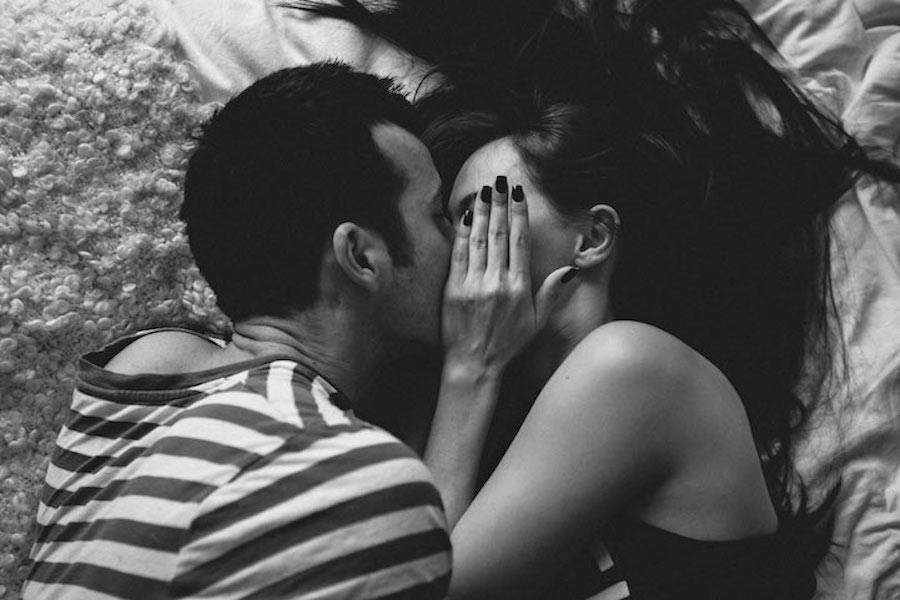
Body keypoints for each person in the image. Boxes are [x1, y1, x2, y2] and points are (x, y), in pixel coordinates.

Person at [290, 2, 900, 599]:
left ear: (591, 239)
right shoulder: (495, 429)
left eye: (485, 216)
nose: (460, 252)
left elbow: (417, 586)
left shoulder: (631, 367)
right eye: (451, 226)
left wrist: (469, 366)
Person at [22, 62, 459, 599]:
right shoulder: (362, 487)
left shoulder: (143, 367)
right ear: (361, 257)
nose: (461, 242)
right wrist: (474, 367)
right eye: (439, 216)